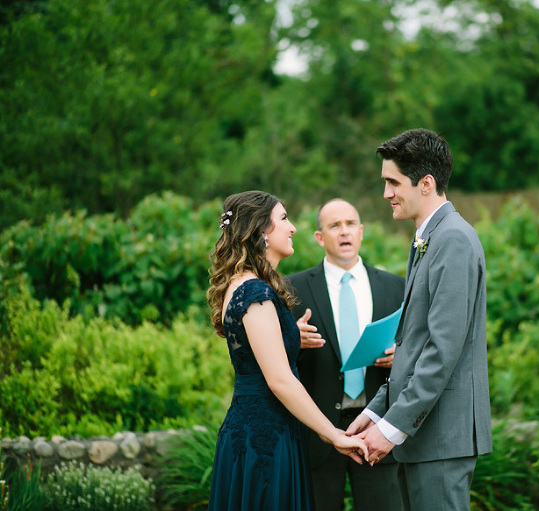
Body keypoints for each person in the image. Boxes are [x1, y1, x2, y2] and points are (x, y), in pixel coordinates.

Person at [347, 129, 493, 511]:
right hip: (424, 437)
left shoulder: (454, 240)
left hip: (441, 439)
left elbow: (441, 352)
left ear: (426, 184)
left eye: (393, 182)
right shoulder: (427, 239)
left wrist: (391, 429)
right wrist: (375, 411)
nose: (386, 193)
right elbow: (412, 345)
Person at [206, 190, 368, 511]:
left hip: (262, 429)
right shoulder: (254, 290)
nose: (293, 228)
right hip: (264, 439)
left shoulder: (243, 285)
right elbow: (279, 380)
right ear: (261, 231)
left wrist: (293, 335)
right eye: (283, 219)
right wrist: (331, 434)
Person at [287, 199, 404, 511]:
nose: (344, 232)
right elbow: (276, 365)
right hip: (318, 434)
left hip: (379, 429)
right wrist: (291, 341)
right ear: (319, 237)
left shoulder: (396, 287)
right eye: (334, 226)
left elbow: (418, 350)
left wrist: (401, 357)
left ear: (362, 232)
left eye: (350, 224)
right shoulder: (291, 289)